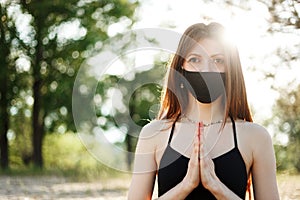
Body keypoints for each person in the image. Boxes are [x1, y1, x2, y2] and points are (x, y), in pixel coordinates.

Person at [128, 22, 279, 199]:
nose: (206, 69)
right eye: (195, 60)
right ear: (180, 70)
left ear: (231, 71)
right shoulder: (154, 134)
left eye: (218, 60)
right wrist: (185, 186)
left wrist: (217, 188)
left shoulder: (256, 137)